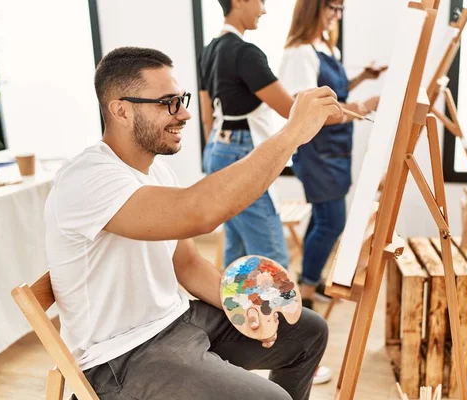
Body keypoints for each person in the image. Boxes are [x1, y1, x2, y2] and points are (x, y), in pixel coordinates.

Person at [45, 46, 342, 400]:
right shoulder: (87, 179)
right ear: (120, 110)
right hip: (118, 358)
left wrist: (244, 307)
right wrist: (292, 132)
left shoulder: (156, 170)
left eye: (181, 99)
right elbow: (200, 213)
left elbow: (187, 264)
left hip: (177, 321)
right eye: (168, 102)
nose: (184, 113)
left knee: (308, 331)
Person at [278, 0, 387, 310]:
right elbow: (312, 112)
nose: (336, 16)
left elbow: (334, 95)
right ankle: (308, 293)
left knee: (324, 217)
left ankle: (308, 278)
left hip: (335, 149)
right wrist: (364, 107)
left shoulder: (325, 48)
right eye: (331, 8)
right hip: (316, 152)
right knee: (333, 222)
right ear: (312, 8)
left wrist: (363, 77)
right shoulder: (299, 53)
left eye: (340, 10)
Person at [198, 0, 297, 270]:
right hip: (242, 151)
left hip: (218, 148)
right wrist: (341, 111)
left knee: (238, 249)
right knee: (273, 258)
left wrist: (217, 154)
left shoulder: (209, 50)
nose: (263, 10)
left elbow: (207, 115)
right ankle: (275, 314)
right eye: (261, 2)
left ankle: (233, 312)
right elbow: (290, 109)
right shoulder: (246, 53)